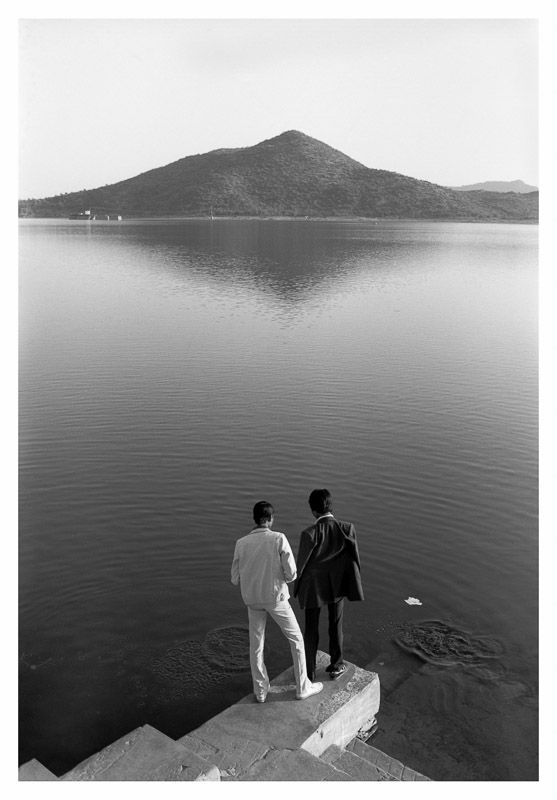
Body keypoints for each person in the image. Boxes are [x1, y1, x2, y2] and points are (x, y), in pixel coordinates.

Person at [231, 501, 323, 703]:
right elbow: (291, 574)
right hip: (276, 599)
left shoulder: (241, 543)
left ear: (255, 519)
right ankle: (303, 687)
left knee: (256, 645)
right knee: (296, 640)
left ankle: (261, 691)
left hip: (252, 600)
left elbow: (234, 577)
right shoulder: (278, 539)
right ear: (270, 519)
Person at [294, 489, 364, 681]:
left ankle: (309, 672)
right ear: (330, 507)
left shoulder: (309, 533)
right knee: (336, 624)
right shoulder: (347, 528)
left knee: (311, 629)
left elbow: (301, 565)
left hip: (314, 587)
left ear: (313, 511)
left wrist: (297, 589)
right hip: (338, 585)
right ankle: (336, 664)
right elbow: (355, 559)